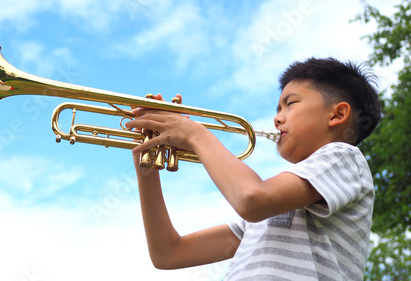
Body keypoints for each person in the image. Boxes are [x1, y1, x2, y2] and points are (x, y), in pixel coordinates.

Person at [124, 57, 381, 281]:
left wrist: (195, 135)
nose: (277, 117)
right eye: (278, 108)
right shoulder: (265, 217)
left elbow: (253, 198)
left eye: (290, 104)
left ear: (337, 115)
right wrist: (147, 163)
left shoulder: (345, 158)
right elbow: (169, 253)